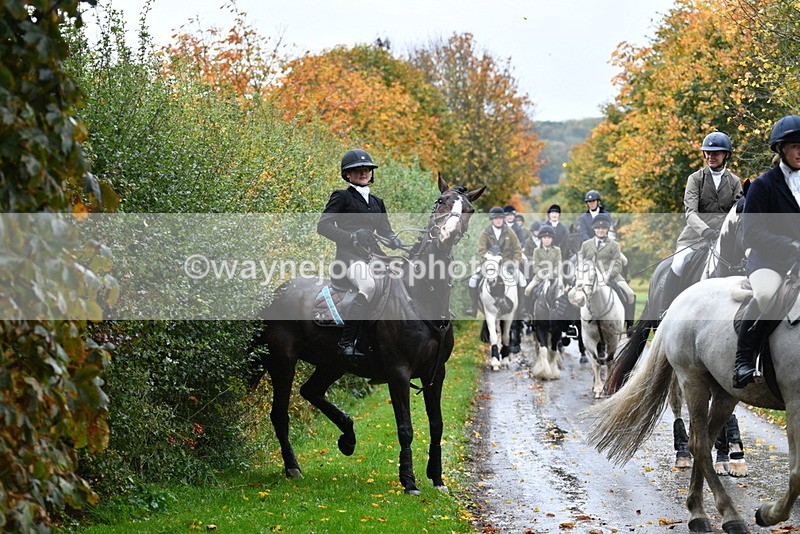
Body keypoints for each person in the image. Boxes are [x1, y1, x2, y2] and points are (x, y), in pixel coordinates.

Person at [733, 115, 800, 388]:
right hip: (769, 261)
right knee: (766, 294)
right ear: (781, 149)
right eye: (795, 145)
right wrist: (790, 245)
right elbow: (752, 233)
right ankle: (743, 359)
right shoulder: (764, 185)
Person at [317, 149, 403, 360]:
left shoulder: (377, 202)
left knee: (403, 279)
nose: (363, 172)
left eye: (367, 169)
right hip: (349, 258)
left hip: (375, 256)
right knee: (368, 286)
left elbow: (385, 230)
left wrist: (396, 240)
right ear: (348, 174)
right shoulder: (342, 196)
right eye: (357, 170)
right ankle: (347, 342)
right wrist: (351, 237)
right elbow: (323, 225)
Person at [661, 132, 744, 316]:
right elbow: (690, 212)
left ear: (726, 155)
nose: (710, 156)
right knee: (679, 263)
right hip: (695, 237)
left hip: (723, 238)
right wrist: (705, 231)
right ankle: (664, 310)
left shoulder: (734, 181)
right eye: (707, 153)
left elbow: (736, 213)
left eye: (715, 153)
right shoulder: (695, 179)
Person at [465, 206, 522, 317]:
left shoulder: (510, 232)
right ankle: (474, 307)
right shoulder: (485, 233)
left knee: (522, 280)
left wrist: (515, 263)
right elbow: (481, 250)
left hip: (506, 263)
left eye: (501, 218)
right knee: (473, 280)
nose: (498, 220)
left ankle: (521, 308)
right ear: (491, 219)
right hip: (489, 264)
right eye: (496, 218)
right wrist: (490, 260)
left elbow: (517, 249)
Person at [579, 213, 635, 324]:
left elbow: (618, 265)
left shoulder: (614, 245)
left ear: (607, 230)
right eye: (598, 228)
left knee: (630, 294)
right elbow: (581, 263)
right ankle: (575, 326)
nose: (601, 230)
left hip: (612, 276)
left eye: (603, 228)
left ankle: (629, 326)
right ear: (594, 229)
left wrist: (607, 274)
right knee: (576, 297)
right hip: (590, 278)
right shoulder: (586, 245)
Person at [523, 224, 562, 298]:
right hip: (539, 277)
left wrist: (553, 274)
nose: (547, 240)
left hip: (555, 276)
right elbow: (535, 266)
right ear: (541, 239)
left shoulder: (557, 250)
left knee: (562, 290)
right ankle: (527, 309)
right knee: (527, 290)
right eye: (544, 238)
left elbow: (558, 264)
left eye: (549, 238)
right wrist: (543, 275)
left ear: (552, 239)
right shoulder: (536, 250)